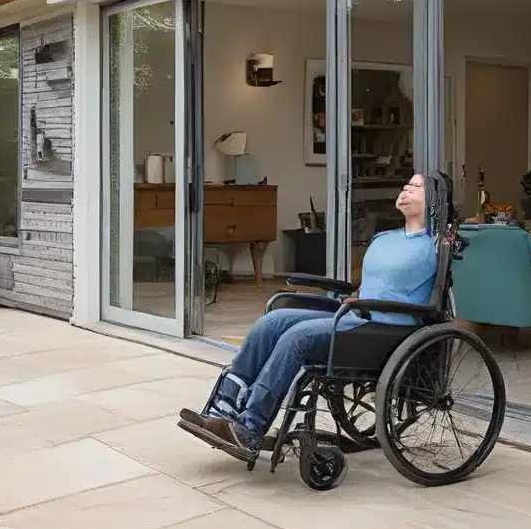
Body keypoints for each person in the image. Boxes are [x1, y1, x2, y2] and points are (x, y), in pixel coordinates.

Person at [179, 173, 442, 463]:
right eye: (406, 184)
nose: (406, 189)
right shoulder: (384, 238)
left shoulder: (433, 246)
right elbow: (370, 281)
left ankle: (251, 428)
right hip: (357, 316)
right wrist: (354, 295)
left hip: (386, 329)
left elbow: (420, 294)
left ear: (433, 199)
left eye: (415, 186)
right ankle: (224, 408)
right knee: (272, 322)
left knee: (297, 337)